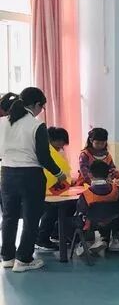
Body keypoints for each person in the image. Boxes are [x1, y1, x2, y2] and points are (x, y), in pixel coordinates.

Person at [0, 87, 66, 272]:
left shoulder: (3, 122)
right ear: (37, 104)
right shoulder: (37, 125)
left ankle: (7, 257)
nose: (41, 111)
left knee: (9, 217)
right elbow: (44, 157)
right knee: (31, 218)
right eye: (42, 107)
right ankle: (24, 259)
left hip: (6, 174)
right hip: (30, 176)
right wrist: (59, 173)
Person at [36, 127, 73, 252]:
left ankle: (55, 233)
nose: (62, 145)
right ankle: (41, 239)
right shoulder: (46, 151)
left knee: (64, 208)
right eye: (60, 141)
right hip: (45, 189)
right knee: (50, 213)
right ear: (52, 140)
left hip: (56, 188)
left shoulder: (58, 151)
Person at [74, 159, 119, 255]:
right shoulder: (117, 189)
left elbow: (81, 209)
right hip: (113, 221)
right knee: (106, 215)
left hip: (92, 224)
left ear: (90, 175)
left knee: (80, 217)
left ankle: (85, 242)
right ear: (108, 174)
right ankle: (106, 240)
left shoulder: (86, 194)